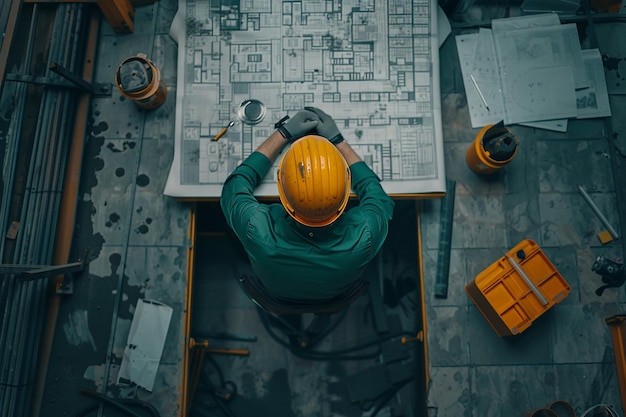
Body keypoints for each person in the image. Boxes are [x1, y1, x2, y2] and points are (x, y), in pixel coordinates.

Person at [220, 107, 394, 302]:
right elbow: (376, 194)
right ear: (347, 183)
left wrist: (284, 133)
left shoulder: (256, 228)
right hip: (334, 298)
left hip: (277, 296)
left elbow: (234, 186)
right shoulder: (366, 233)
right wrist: (338, 142)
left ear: (281, 184)